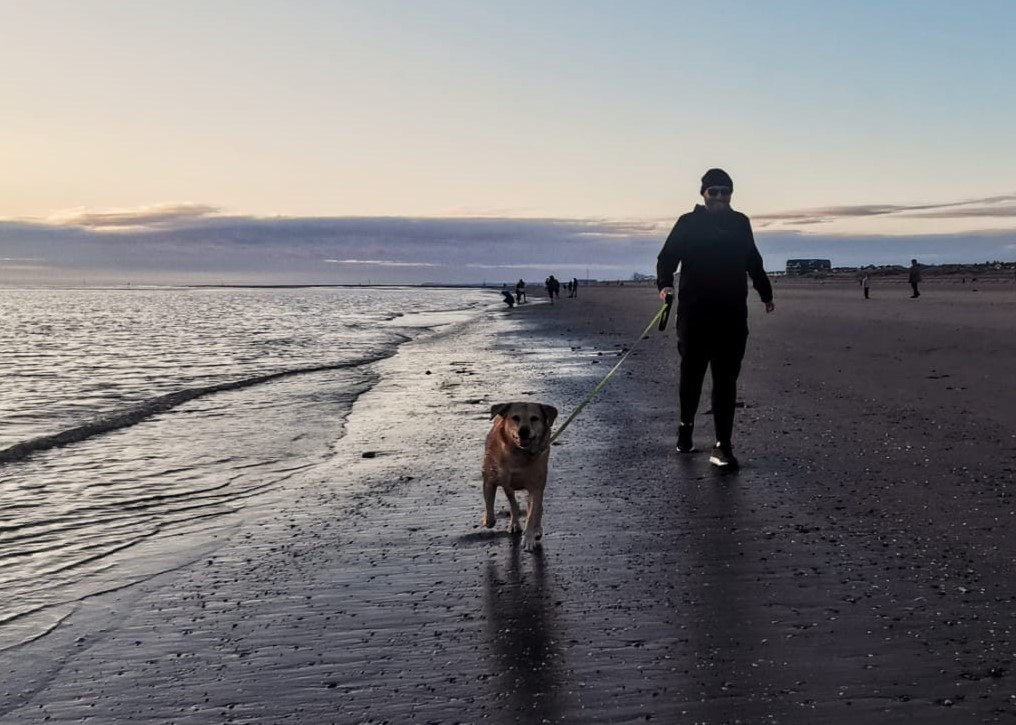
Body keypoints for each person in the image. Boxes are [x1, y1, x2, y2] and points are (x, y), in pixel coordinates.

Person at [656, 168, 774, 470]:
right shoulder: (688, 223)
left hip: (732, 314)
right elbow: (667, 257)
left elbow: (753, 260)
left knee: (726, 380)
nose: (720, 197)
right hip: (694, 314)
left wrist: (765, 292)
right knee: (692, 376)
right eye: (714, 191)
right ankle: (685, 426)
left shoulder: (740, 223)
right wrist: (665, 284)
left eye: (725, 191)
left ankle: (722, 445)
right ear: (703, 194)